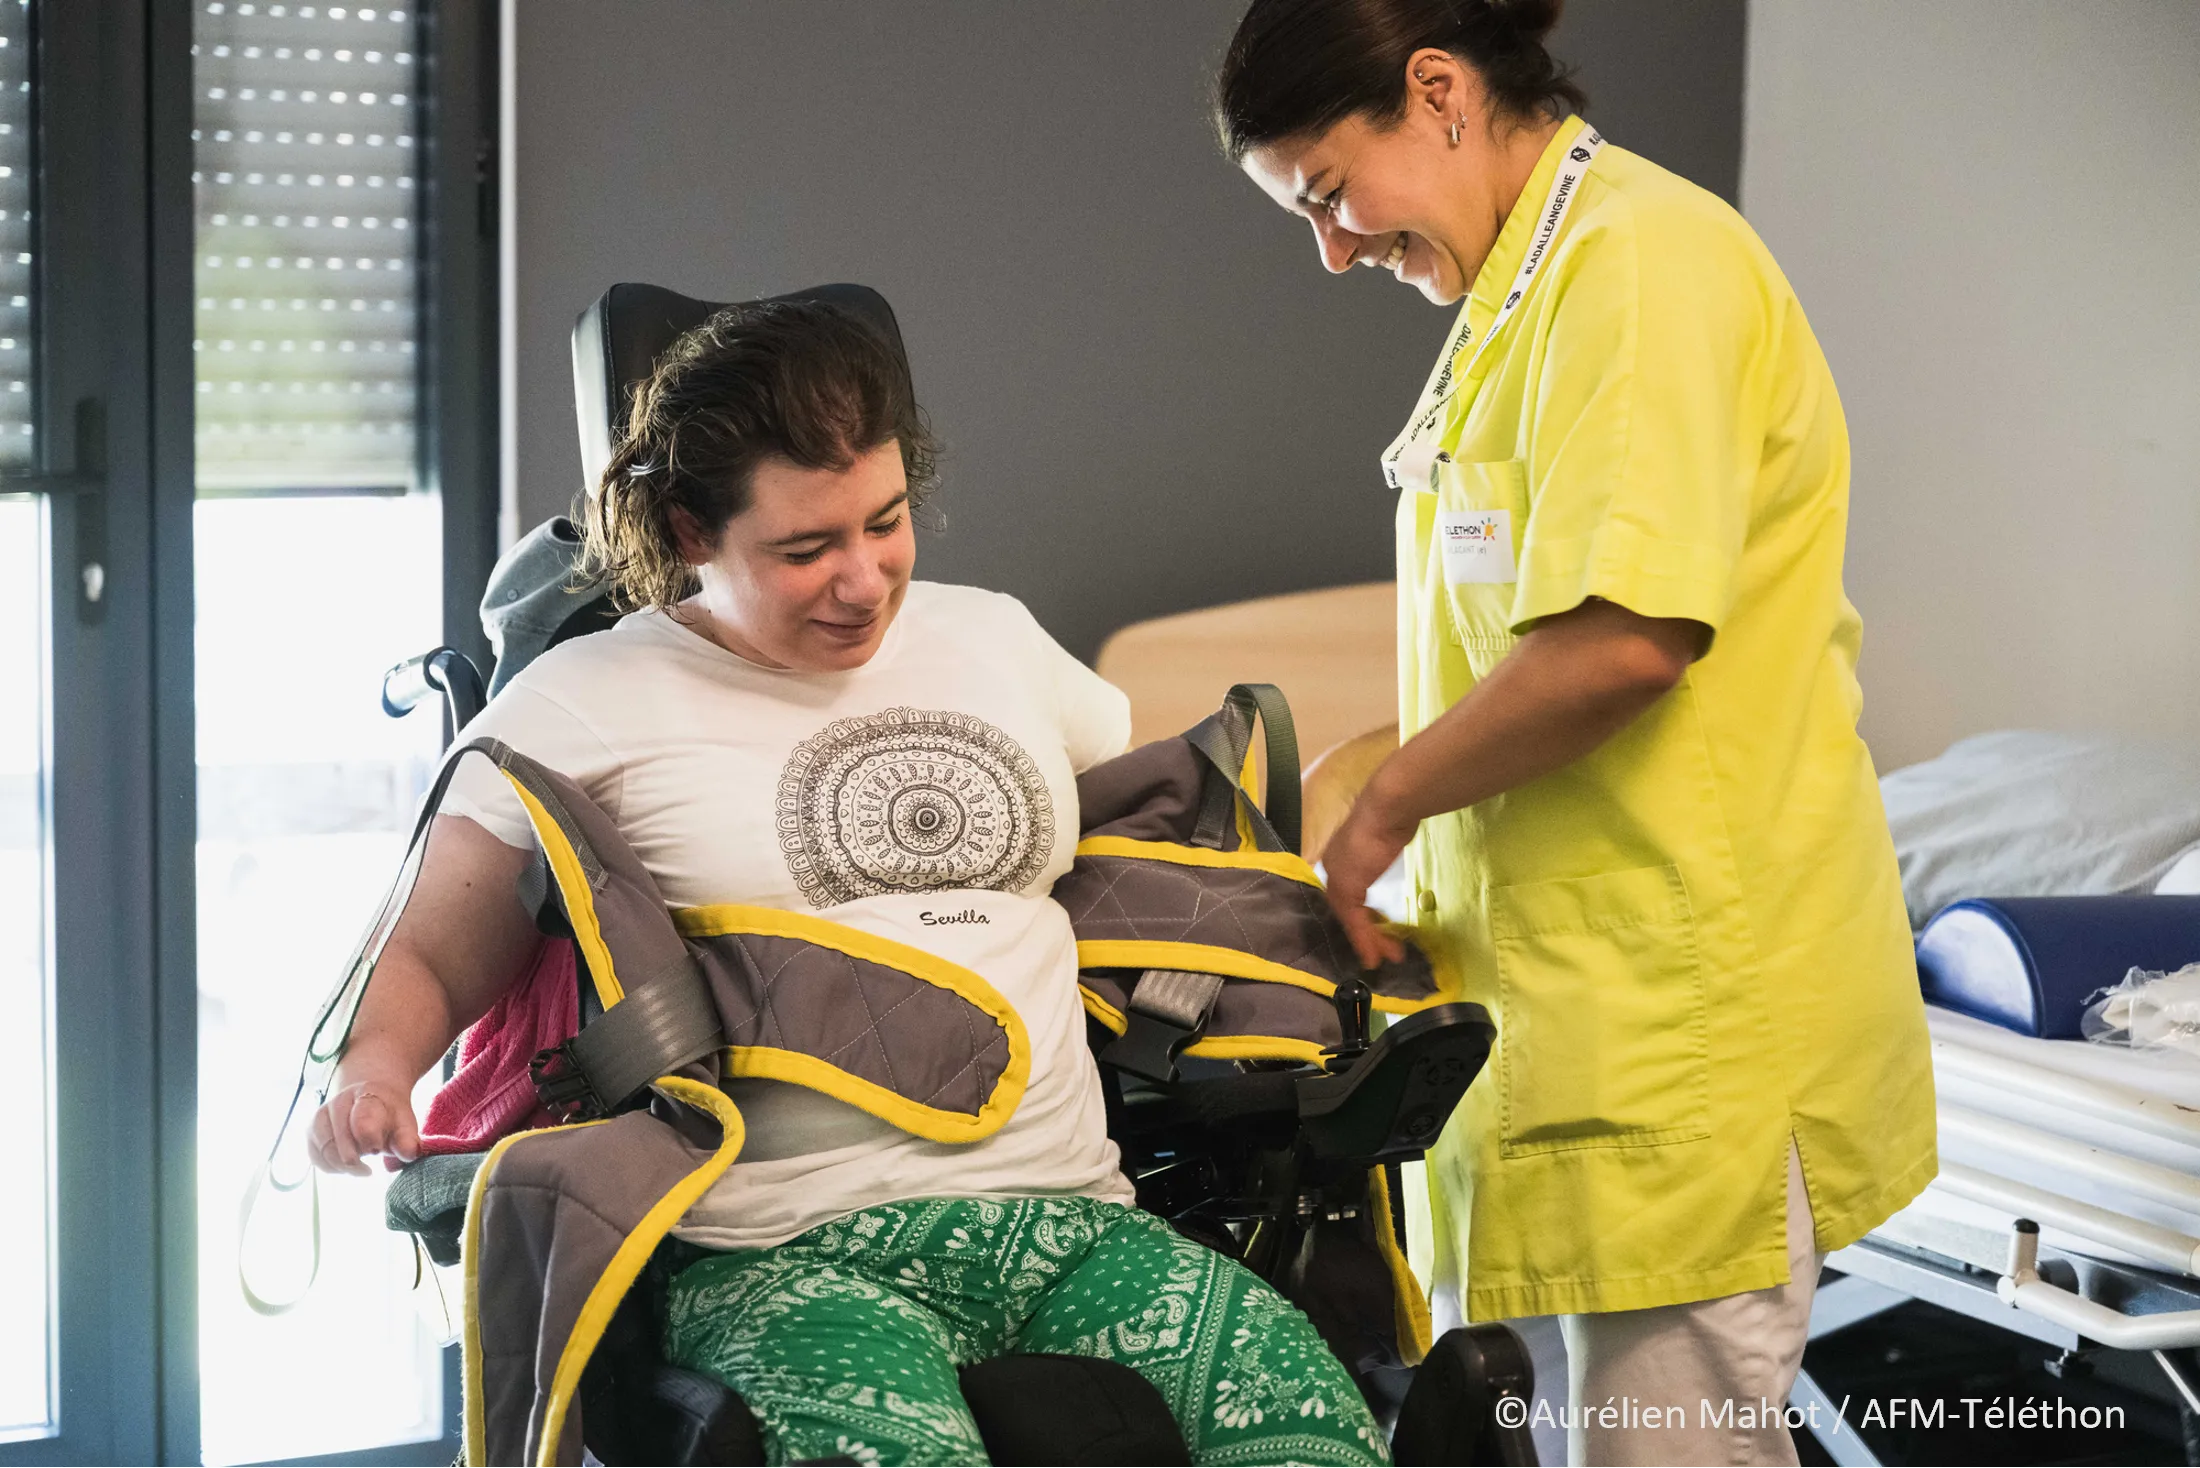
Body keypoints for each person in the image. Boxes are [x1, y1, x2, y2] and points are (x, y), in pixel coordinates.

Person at [304, 298, 1388, 1468]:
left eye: (886, 523)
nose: (865, 579)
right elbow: (432, 948)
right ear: (689, 533)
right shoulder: (584, 701)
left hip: (1078, 1220)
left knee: (1309, 1431)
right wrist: (376, 1072)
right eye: (807, 549)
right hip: (785, 1252)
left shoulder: (999, 639)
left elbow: (1153, 846)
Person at [1215, 2, 1935, 1464]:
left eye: (1330, 193)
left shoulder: (1643, 265)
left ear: (1438, 92)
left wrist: (1382, 810)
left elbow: (1623, 641)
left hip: (1692, 1029)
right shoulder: (1524, 294)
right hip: (1577, 1030)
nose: (1334, 249)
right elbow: (1508, 649)